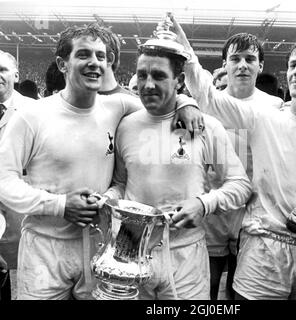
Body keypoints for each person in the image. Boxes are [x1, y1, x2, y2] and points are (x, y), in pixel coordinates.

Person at [0, 23, 202, 300]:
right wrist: (59, 205)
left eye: (101, 56)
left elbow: (160, 102)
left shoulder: (118, 107)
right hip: (46, 248)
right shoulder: (31, 116)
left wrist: (184, 102)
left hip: (100, 244)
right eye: (84, 54)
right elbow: (4, 181)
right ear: (62, 63)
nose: (95, 62)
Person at [173, 15, 296, 299]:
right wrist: (186, 52)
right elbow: (208, 97)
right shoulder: (263, 118)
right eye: (293, 65)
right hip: (264, 252)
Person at [103, 40, 252, 300]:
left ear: (179, 80)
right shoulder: (125, 125)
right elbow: (121, 184)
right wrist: (107, 199)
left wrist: (204, 203)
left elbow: (240, 185)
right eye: (142, 75)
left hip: (185, 253)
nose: (147, 84)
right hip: (131, 252)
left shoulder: (207, 127)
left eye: (159, 76)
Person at [0, 50, 36, 300]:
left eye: (2, 69)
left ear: (16, 74)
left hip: (19, 218)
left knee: (19, 287)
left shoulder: (35, 110)